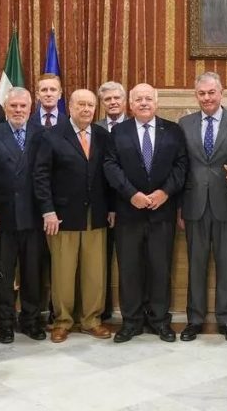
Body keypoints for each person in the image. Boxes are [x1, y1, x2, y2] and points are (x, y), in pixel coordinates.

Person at [104, 83, 188, 343]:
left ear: (156, 102)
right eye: (138, 99)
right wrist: (132, 194)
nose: (143, 103)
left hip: (162, 212)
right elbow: (110, 165)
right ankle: (131, 321)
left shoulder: (173, 131)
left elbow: (181, 165)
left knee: (160, 268)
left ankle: (160, 320)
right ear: (130, 104)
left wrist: (165, 192)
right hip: (129, 213)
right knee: (129, 269)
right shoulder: (118, 132)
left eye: (148, 99)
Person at [34, 89, 114, 342]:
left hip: (96, 214)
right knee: (63, 273)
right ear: (69, 106)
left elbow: (109, 175)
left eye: (91, 105)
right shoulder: (52, 136)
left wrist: (111, 207)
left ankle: (92, 320)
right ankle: (63, 321)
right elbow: (41, 176)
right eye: (81, 104)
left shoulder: (103, 136)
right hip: (62, 217)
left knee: (95, 272)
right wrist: (47, 210)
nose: (87, 109)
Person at [177, 72, 227, 343]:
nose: (207, 98)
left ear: (222, 93)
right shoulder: (184, 123)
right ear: (196, 95)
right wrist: (179, 208)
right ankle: (194, 320)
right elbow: (181, 167)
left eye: (211, 92)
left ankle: (226, 320)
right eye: (202, 93)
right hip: (194, 205)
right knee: (196, 265)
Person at [0, 88, 46, 343]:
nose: (18, 110)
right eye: (13, 106)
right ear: (5, 108)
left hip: (34, 218)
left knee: (33, 273)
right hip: (3, 218)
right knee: (4, 276)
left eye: (23, 106)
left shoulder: (43, 135)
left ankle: (31, 320)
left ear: (31, 108)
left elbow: (48, 177)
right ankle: (5, 323)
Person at [95, 80, 128, 322]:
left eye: (117, 98)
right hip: (101, 206)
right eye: (107, 99)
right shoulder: (94, 128)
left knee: (130, 261)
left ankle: (133, 310)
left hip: (131, 203)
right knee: (101, 261)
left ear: (124, 100)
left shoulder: (136, 125)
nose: (113, 102)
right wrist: (108, 206)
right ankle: (102, 308)